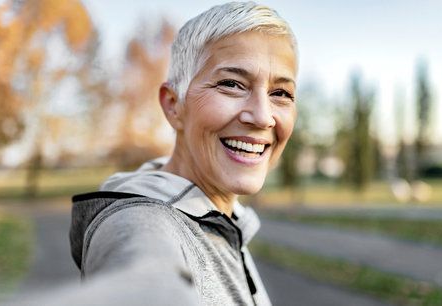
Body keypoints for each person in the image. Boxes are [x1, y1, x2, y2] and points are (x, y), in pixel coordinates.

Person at [69, 1, 298, 305]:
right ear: (174, 105)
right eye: (231, 84)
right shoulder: (138, 224)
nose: (262, 116)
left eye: (280, 93)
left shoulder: (225, 219)